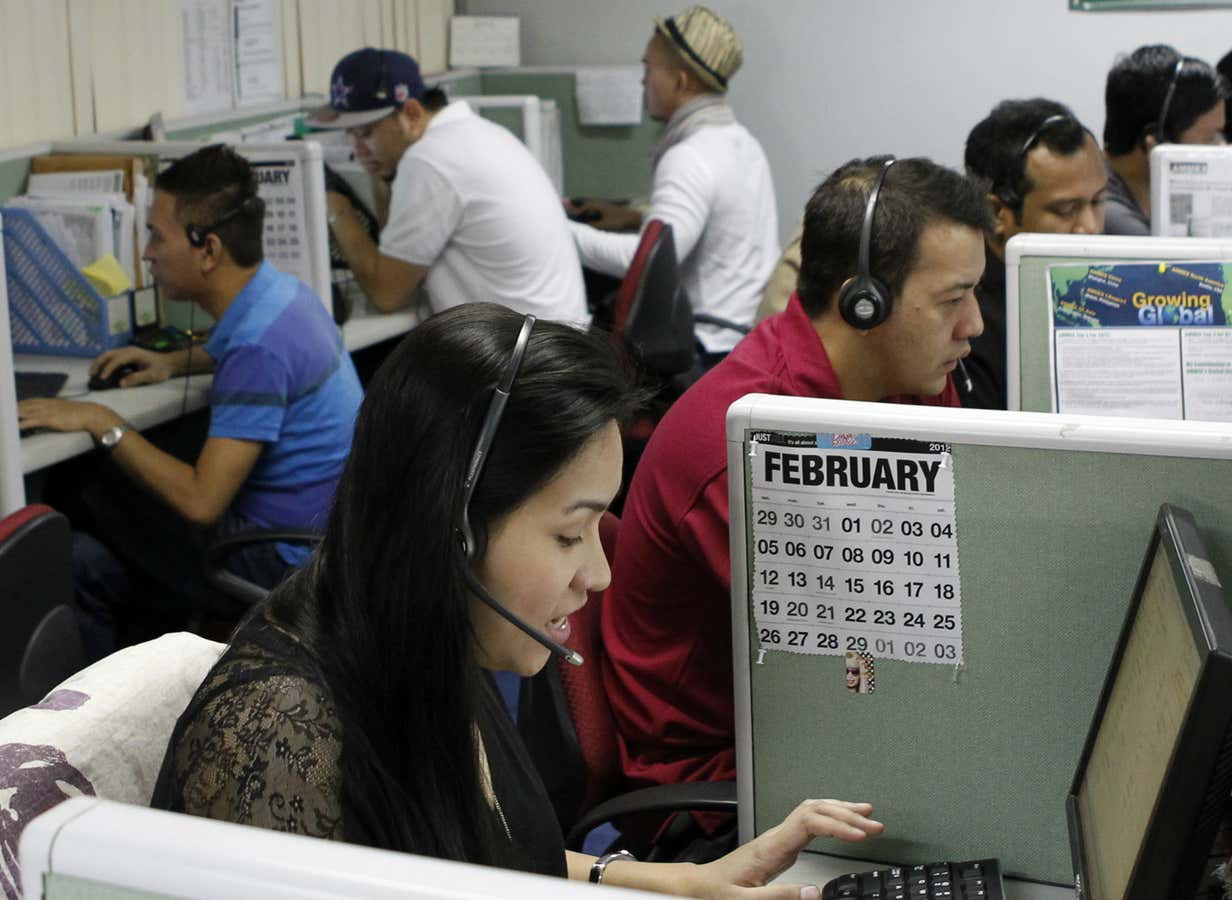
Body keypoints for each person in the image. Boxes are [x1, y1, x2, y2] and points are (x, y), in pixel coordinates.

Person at [153, 303, 882, 895]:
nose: (599, 574)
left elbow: (476, 858)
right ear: (453, 530)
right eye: (570, 537)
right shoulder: (278, 737)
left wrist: (680, 884)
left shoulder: (426, 631)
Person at [601, 157, 990, 858]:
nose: (975, 325)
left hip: (821, 730)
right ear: (863, 301)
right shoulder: (750, 444)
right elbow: (866, 664)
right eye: (952, 298)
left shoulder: (904, 380)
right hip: (721, 795)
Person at [18, 145, 362, 655]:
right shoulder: (283, 296)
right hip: (326, 535)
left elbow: (202, 504)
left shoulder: (256, 348)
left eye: (158, 235)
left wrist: (101, 419)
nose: (147, 253)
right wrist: (175, 361)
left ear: (208, 249)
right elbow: (253, 357)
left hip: (276, 558)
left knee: (81, 490)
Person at [310, 48, 590, 326]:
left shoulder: (429, 160)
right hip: (553, 342)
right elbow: (398, 257)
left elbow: (387, 294)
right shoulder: (476, 133)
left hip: (526, 359)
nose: (357, 150)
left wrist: (337, 206)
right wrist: (382, 178)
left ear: (411, 113)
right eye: (351, 134)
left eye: (366, 133)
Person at [566, 5, 778, 367]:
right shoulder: (739, 141)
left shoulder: (690, 156)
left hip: (705, 350)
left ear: (681, 82)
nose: (642, 80)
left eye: (648, 68)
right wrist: (632, 216)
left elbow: (645, 263)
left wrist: (559, 231)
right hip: (742, 335)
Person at [960, 98, 1107, 410]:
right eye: (1067, 209)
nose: (1090, 227)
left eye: (1098, 201)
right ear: (997, 212)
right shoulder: (967, 323)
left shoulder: (1106, 277)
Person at [1102, 45, 1230, 236]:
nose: (1223, 148)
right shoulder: (1115, 220)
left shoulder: (1143, 195)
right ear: (1155, 142)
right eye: (1210, 138)